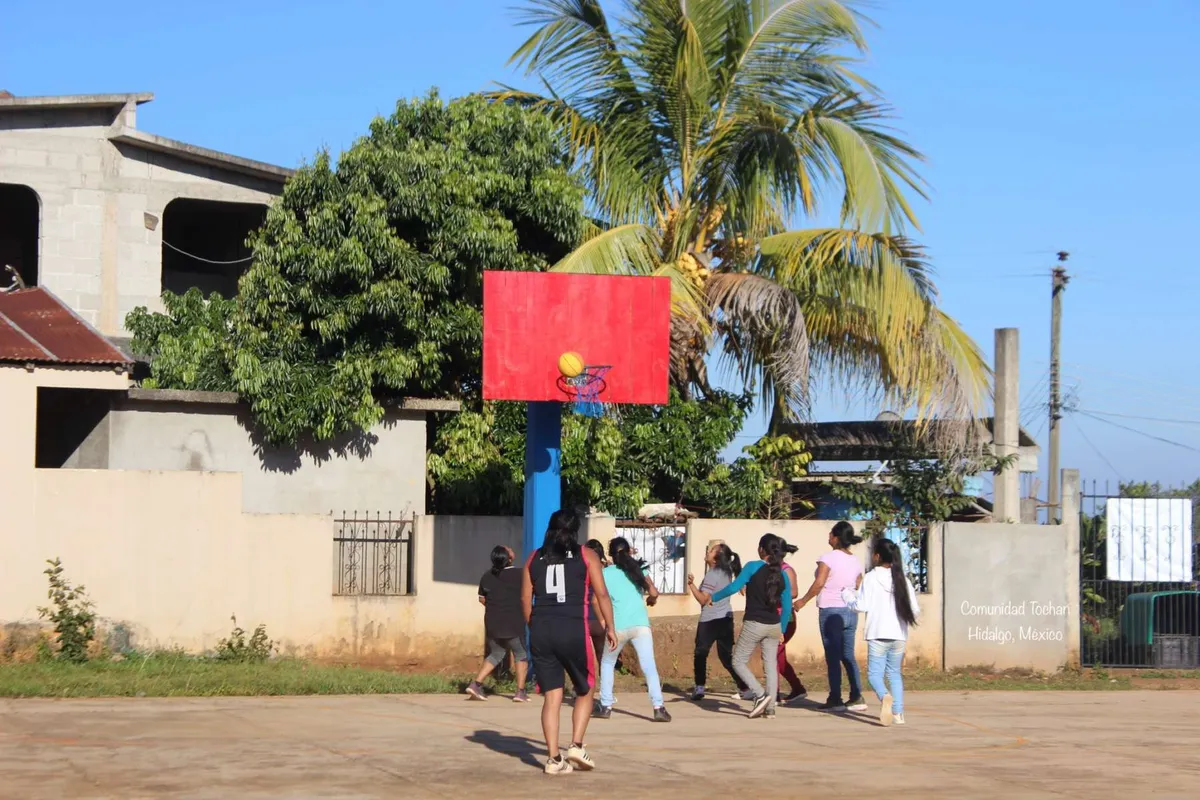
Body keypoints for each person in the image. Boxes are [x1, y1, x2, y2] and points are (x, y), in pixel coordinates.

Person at [522, 509, 617, 776]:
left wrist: (536, 626)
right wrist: (610, 627)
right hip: (573, 627)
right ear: (576, 531)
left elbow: (524, 600)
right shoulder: (586, 555)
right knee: (585, 687)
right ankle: (576, 745)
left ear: (549, 528)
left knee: (552, 696)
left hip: (542, 629)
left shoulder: (533, 557)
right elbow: (602, 594)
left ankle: (553, 759)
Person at [695, 533, 792, 719]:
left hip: (754, 623)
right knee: (771, 665)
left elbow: (733, 587)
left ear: (761, 550)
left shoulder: (752, 567)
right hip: (773, 625)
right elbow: (787, 605)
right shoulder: (782, 574)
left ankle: (760, 694)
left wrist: (713, 598)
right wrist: (782, 630)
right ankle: (770, 708)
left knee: (737, 661)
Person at [842, 538, 920, 726]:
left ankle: (885, 696)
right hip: (899, 635)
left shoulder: (870, 578)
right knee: (894, 673)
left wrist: (847, 594)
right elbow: (915, 609)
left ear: (877, 556)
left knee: (874, 675)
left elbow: (861, 605)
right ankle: (898, 714)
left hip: (878, 633)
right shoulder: (902, 579)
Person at [596, 537, 671, 722]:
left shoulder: (605, 573)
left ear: (611, 555)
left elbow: (599, 599)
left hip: (618, 625)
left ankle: (605, 706)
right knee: (649, 666)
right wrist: (651, 600)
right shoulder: (639, 568)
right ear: (629, 551)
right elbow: (653, 592)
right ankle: (658, 707)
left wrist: (604, 621)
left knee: (607, 663)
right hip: (640, 624)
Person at [794, 521, 866, 712]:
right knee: (848, 655)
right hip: (850, 612)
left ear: (836, 537)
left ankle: (835, 698)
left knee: (833, 656)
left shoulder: (828, 558)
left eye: (831, 534)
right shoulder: (856, 560)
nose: (828, 537)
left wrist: (803, 601)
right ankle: (856, 695)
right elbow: (859, 584)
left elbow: (819, 583)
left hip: (831, 610)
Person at [685, 542, 750, 701]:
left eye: (712, 550)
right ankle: (744, 687)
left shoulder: (713, 574)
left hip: (710, 620)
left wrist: (691, 585)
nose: (708, 551)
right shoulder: (726, 572)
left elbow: (703, 600)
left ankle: (700, 687)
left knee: (700, 653)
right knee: (726, 657)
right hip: (726, 619)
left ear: (716, 558)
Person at [467, 545, 529, 702]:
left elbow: (482, 598)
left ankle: (476, 684)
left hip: (492, 623)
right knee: (520, 654)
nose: (512, 550)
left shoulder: (487, 576)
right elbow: (528, 594)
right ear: (509, 558)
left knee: (496, 653)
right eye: (509, 550)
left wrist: (496, 607)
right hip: (513, 623)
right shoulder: (520, 574)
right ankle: (520, 691)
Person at [776, 540, 808, 704]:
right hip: (771, 618)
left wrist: (774, 594)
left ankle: (773, 693)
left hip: (785, 618)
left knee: (772, 653)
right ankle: (797, 688)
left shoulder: (787, 570)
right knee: (778, 657)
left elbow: (794, 593)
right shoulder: (768, 569)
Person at [583, 539, 609, 676]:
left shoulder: (581, 568)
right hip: (600, 617)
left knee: (584, 657)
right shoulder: (606, 570)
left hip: (584, 616)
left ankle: (581, 688)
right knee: (601, 654)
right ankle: (605, 688)